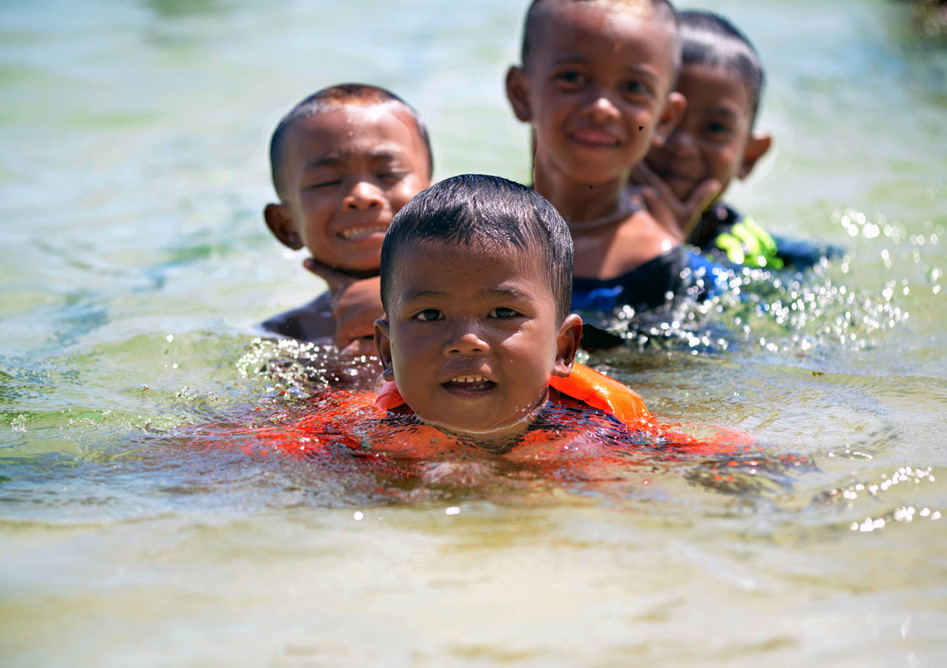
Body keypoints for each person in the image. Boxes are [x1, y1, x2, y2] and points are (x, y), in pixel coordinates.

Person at [234, 175, 752, 467]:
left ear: (564, 347)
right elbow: (237, 455)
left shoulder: (611, 424)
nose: (465, 340)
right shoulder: (359, 430)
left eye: (503, 313)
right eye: (429, 314)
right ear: (386, 352)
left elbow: (722, 454)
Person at [505, 0, 705, 317]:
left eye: (633, 87)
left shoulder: (672, 275)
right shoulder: (478, 237)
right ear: (521, 93)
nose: (602, 107)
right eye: (572, 77)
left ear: (664, 118)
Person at [635, 10, 835, 270]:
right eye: (664, 118)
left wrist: (669, 254)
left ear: (749, 156)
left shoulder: (759, 258)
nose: (682, 144)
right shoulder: (576, 226)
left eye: (714, 127)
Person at [259, 83, 433, 350]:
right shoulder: (287, 338)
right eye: (326, 182)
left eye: (390, 174)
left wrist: (400, 306)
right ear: (285, 226)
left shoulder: (494, 297)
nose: (362, 195)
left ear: (438, 201)